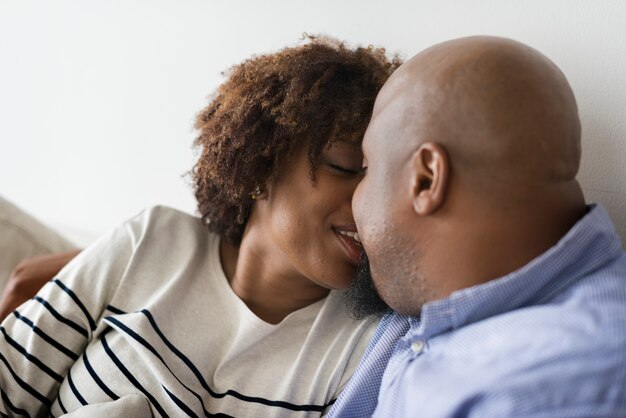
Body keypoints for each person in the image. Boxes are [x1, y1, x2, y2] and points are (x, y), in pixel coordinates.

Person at [0, 36, 400, 416]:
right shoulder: (153, 241)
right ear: (265, 164)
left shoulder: (365, 349)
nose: (369, 201)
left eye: (382, 182)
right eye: (345, 167)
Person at [329, 36, 626, 417]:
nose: (353, 201)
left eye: (365, 169)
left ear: (425, 179)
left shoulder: (560, 388)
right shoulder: (439, 296)